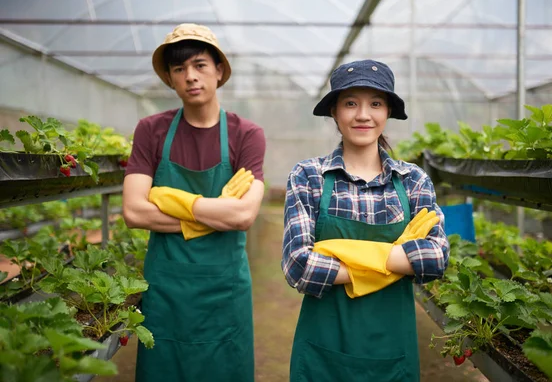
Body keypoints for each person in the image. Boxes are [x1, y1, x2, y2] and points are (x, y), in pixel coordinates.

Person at [282, 59, 450, 381]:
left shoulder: (413, 180)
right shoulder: (309, 176)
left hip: (392, 353)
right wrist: (397, 257)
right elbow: (299, 267)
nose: (363, 115)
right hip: (323, 352)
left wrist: (336, 251)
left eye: (375, 103)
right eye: (350, 103)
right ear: (335, 112)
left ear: (387, 112)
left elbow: (436, 258)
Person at [122, 23, 265, 382]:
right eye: (179, 68)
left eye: (200, 65)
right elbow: (134, 211)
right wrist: (216, 211)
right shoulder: (151, 130)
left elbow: (244, 215)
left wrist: (170, 200)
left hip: (223, 287)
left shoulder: (245, 134)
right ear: (170, 78)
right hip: (167, 286)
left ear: (219, 71)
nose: (190, 76)